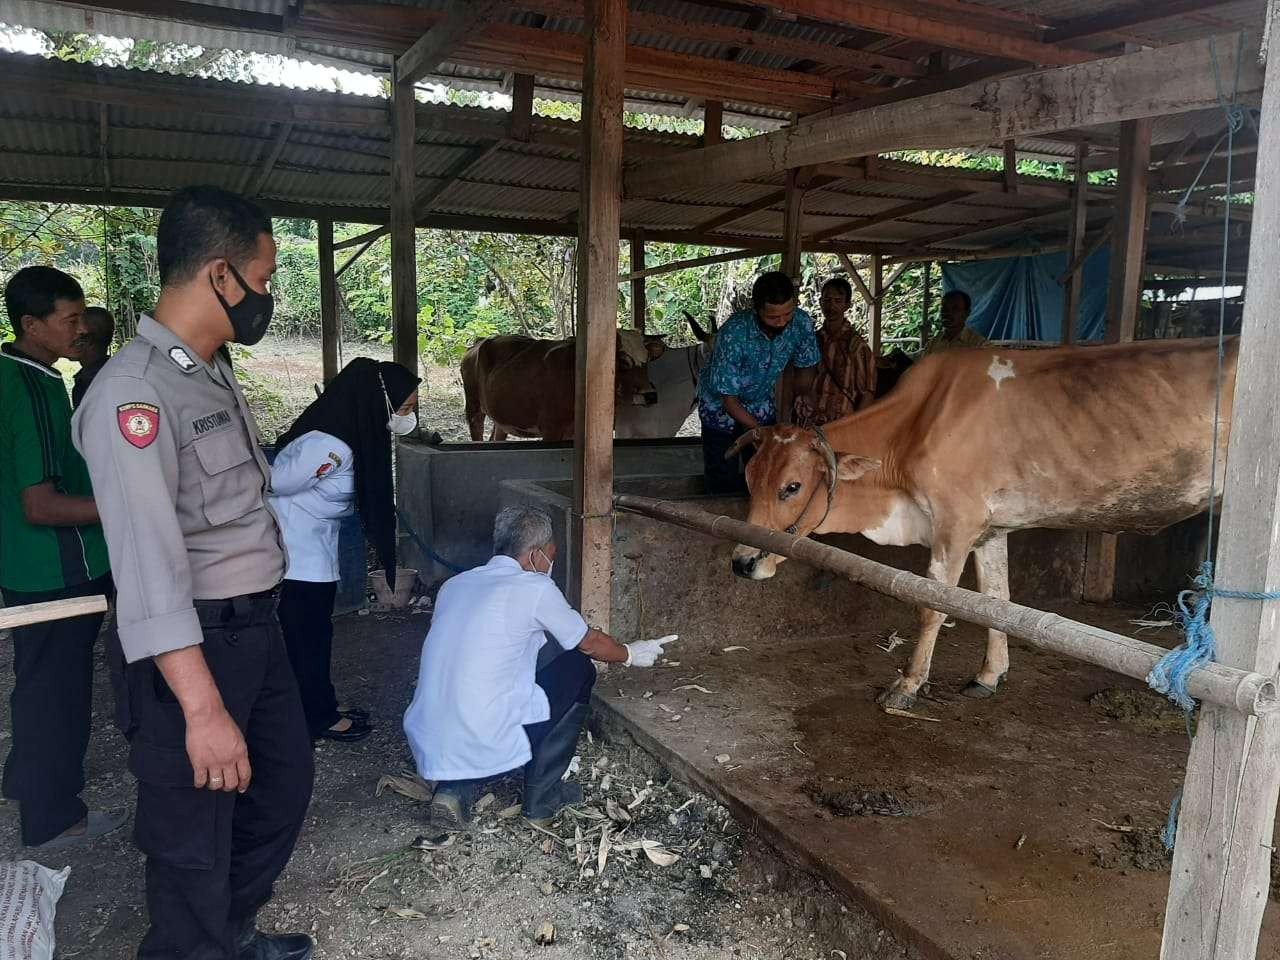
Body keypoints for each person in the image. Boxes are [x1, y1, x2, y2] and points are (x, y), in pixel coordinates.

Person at [73, 185, 314, 960]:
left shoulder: (204, 370)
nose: (268, 297)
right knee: (192, 836)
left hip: (254, 632)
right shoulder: (133, 393)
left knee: (278, 792)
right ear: (220, 275)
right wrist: (203, 711)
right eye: (265, 278)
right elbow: (146, 569)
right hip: (196, 646)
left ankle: (229, 934)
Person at [404, 506, 675, 829]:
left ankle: (453, 789)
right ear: (534, 556)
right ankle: (541, 801)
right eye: (551, 554)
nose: (551, 563)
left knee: (484, 680)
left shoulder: (456, 585)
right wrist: (630, 653)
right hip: (483, 732)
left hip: (429, 734)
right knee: (578, 667)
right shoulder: (535, 588)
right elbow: (588, 643)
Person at [0, 266, 120, 850]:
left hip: (24, 564)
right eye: (69, 320)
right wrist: (124, 506)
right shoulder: (30, 388)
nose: (80, 330)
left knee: (38, 678)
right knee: (61, 690)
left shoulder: (19, 375)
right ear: (31, 325)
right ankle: (53, 817)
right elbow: (42, 504)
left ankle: (27, 782)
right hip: (57, 565)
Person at [270, 357, 420, 743]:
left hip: (315, 551)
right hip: (297, 555)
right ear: (380, 401)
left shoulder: (353, 435)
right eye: (403, 409)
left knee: (317, 635)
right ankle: (315, 717)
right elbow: (273, 482)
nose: (407, 418)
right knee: (308, 639)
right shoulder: (329, 445)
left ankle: (321, 705)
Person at [697, 271, 819, 494]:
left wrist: (804, 393)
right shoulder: (734, 333)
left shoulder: (801, 324)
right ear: (756, 309)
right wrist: (761, 433)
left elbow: (806, 364)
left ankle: (758, 522)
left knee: (766, 470)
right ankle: (721, 516)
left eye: (787, 314)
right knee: (722, 471)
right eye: (773, 317)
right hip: (720, 409)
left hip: (760, 402)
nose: (782, 322)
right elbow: (729, 399)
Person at [809, 277, 876, 423]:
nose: (831, 306)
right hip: (811, 421)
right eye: (827, 300)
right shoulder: (812, 341)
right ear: (820, 303)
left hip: (841, 423)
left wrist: (855, 426)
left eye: (838, 301)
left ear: (847, 305)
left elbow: (867, 393)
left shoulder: (857, 346)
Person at [71, 305, 115, 409]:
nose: (68, 336)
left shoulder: (92, 384)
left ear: (88, 340)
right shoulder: (109, 372)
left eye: (75, 332)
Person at [923, 290, 989, 355]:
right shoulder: (932, 345)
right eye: (944, 308)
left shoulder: (978, 344)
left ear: (966, 313)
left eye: (955, 309)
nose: (948, 313)